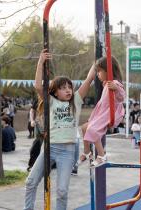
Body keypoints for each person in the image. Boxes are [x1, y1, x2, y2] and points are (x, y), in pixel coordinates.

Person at [23, 49, 95, 210]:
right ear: (55, 91)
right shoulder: (50, 101)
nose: (68, 90)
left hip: (68, 150)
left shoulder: (75, 101)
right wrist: (40, 61)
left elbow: (89, 79)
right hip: (49, 147)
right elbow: (37, 85)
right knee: (31, 182)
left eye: (70, 86)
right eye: (63, 88)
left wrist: (96, 63)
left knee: (62, 191)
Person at [78, 56, 125, 167]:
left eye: (99, 71)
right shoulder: (107, 83)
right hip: (103, 112)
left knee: (93, 130)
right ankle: (87, 151)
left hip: (111, 114)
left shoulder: (114, 83)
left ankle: (102, 155)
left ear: (108, 70)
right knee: (84, 127)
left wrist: (116, 88)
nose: (97, 74)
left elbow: (122, 97)